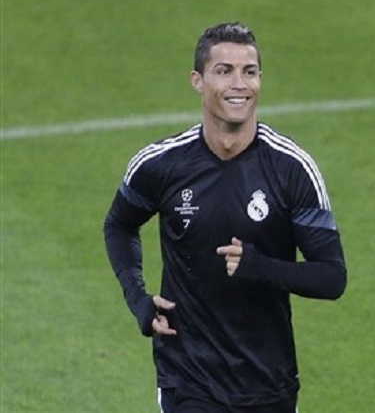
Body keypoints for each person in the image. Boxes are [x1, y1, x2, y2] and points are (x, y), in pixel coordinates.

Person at [103, 22, 347, 413]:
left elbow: (332, 277)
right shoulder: (161, 165)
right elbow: (119, 225)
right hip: (188, 379)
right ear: (197, 81)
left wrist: (260, 267)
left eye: (249, 72)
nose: (239, 84)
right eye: (224, 71)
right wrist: (139, 301)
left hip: (269, 382)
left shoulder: (292, 169)